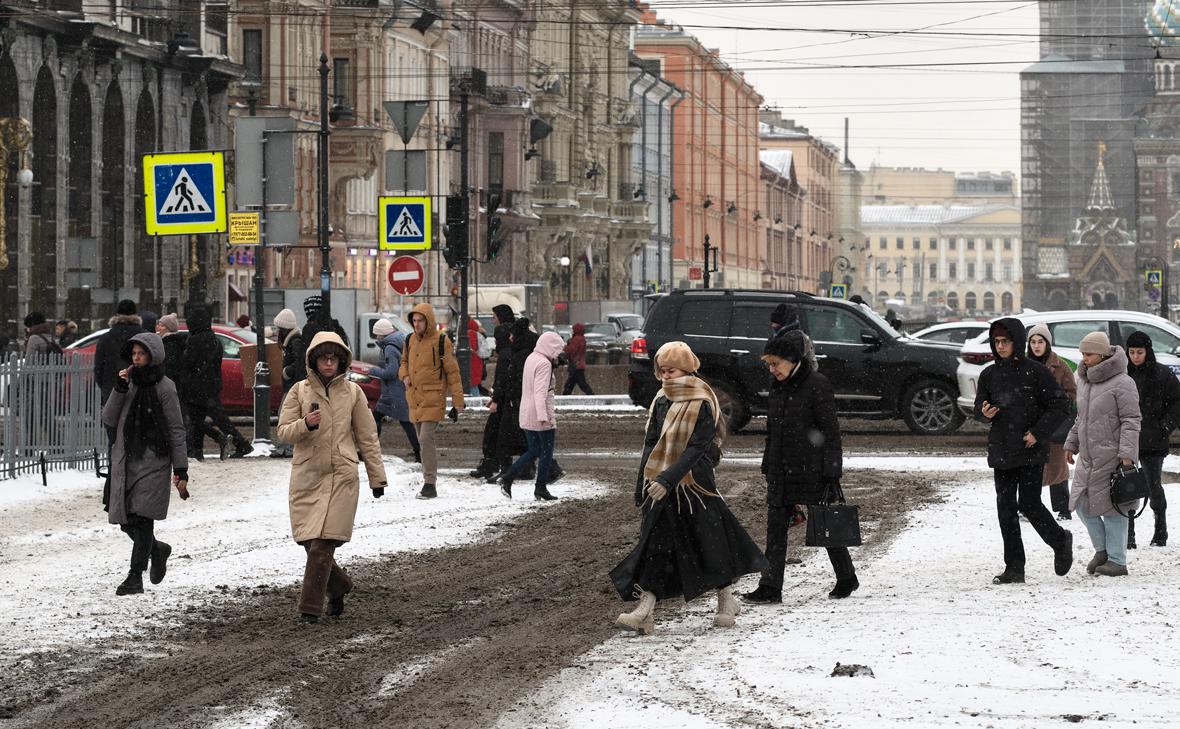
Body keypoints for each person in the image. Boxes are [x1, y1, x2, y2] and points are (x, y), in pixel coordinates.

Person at [611, 341, 766, 634]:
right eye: (662, 371)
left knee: (710, 543)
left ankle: (725, 600)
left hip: (696, 486)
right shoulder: (660, 399)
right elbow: (651, 443)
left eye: (671, 370)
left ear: (686, 369)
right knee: (656, 546)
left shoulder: (703, 400)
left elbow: (698, 447)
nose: (666, 376)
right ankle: (645, 611)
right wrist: (642, 483)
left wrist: (668, 479)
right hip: (660, 485)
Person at [276, 331, 387, 623]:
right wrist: (305, 424)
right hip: (308, 475)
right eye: (324, 358)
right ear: (314, 360)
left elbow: (367, 437)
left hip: (342, 475)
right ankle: (338, 587)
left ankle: (309, 610)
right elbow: (283, 431)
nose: (329, 363)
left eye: (334, 358)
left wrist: (377, 478)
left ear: (341, 361)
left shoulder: (353, 393)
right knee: (309, 542)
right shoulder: (299, 391)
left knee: (324, 544)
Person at [742, 330, 857, 604]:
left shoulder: (818, 384)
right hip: (781, 469)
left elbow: (830, 431)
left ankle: (846, 577)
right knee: (775, 529)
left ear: (793, 360)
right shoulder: (778, 386)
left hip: (813, 469)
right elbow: (772, 431)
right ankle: (770, 586)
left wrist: (832, 470)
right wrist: (768, 463)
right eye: (768, 364)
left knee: (825, 524)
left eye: (776, 363)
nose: (772, 369)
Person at [975, 318, 1073, 585]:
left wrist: (1037, 433)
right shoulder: (989, 374)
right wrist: (984, 414)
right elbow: (978, 409)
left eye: (1005, 341)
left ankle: (1060, 539)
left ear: (1016, 342)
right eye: (996, 342)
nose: (1001, 346)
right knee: (1005, 509)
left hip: (1030, 449)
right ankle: (1014, 567)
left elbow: (1060, 406)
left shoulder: (1036, 372)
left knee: (1029, 504)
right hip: (1001, 450)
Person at [102, 332, 188, 596]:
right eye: (134, 354)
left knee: (143, 517)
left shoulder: (165, 387)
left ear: (153, 356)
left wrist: (181, 468)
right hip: (126, 459)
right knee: (125, 520)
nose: (137, 359)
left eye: (142, 354)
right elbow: (108, 418)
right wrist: (119, 389)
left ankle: (134, 576)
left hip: (155, 459)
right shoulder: (128, 383)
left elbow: (175, 429)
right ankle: (157, 549)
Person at [1065, 331, 1141, 576]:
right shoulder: (1085, 380)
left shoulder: (1123, 382)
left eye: (1088, 354)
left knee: (1113, 508)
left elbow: (1131, 420)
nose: (1084, 358)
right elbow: (1081, 418)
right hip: (1089, 456)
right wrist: (1071, 443)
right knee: (1082, 504)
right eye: (1082, 354)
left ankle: (1117, 561)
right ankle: (1103, 551)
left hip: (1113, 457)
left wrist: (1127, 454)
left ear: (1102, 353)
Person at [398, 303, 465, 499]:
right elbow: (403, 362)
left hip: (434, 397)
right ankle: (428, 480)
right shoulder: (409, 339)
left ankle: (430, 483)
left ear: (428, 321)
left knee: (426, 438)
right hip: (414, 396)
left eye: (420, 320)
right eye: (414, 321)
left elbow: (452, 372)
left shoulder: (441, 340)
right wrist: (404, 376)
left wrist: (458, 401)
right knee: (421, 440)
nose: (417, 324)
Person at [1125, 330, 1180, 547]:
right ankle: (1128, 534)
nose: (1136, 356)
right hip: (1127, 440)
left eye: (1140, 352)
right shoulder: (1122, 375)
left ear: (1148, 351)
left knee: (1154, 485)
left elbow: (1177, 402)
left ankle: (1161, 530)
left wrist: (1164, 426)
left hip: (1153, 440)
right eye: (1132, 352)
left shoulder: (1162, 374)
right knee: (1126, 487)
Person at [497, 331, 565, 501]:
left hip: (527, 412)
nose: (558, 354)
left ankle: (508, 477)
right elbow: (540, 392)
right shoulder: (544, 364)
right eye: (556, 350)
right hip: (540, 413)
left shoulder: (532, 358)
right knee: (545, 452)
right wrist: (544, 417)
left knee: (534, 450)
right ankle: (539, 487)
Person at [181, 304, 252, 460]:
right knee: (218, 420)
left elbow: (188, 362)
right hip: (211, 386)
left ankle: (204, 447)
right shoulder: (214, 339)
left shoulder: (194, 340)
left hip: (197, 388)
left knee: (196, 420)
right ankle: (238, 443)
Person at [1026, 324, 1077, 521]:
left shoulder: (1060, 366)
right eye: (1033, 342)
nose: (1037, 346)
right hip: (1031, 424)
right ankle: (1029, 505)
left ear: (1047, 343)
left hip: (1055, 424)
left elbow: (1071, 394)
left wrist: (1055, 400)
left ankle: (1063, 508)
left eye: (1041, 342)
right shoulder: (1023, 364)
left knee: (1057, 467)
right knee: (1030, 468)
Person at [470, 305, 515, 479]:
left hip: (506, 399)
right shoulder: (512, 347)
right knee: (507, 434)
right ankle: (500, 464)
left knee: (494, 433)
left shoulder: (505, 353)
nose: (492, 319)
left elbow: (502, 378)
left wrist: (496, 398)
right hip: (510, 398)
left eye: (494, 316)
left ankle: (494, 465)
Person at [370, 318, 420, 461]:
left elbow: (391, 372)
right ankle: (419, 452)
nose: (376, 337)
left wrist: (373, 371)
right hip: (396, 390)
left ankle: (370, 450)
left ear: (381, 334)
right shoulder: (399, 341)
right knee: (381, 418)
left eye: (377, 334)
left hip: (393, 392)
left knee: (404, 422)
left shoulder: (390, 348)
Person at [94, 299, 143, 404]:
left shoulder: (105, 338)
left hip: (111, 389)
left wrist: (105, 385)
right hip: (139, 389)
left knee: (112, 419)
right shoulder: (143, 337)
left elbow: (99, 368)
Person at [271, 308, 304, 459]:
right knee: (287, 416)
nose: (278, 331)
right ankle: (285, 447)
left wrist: (287, 372)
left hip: (292, 385)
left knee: (284, 416)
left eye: (279, 328)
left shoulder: (294, 341)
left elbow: (298, 363)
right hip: (292, 385)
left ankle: (285, 447)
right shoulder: (293, 340)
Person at [561, 323, 595, 395]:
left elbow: (571, 350)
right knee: (572, 383)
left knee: (578, 384)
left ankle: (591, 395)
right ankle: (565, 396)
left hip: (576, 365)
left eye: (573, 329)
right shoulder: (582, 338)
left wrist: (564, 347)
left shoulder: (576, 339)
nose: (572, 331)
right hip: (579, 364)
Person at [466, 318, 486, 398]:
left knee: (472, 386)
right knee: (474, 385)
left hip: (471, 365)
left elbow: (472, 348)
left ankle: (476, 403)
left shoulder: (470, 334)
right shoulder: (478, 335)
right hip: (477, 364)